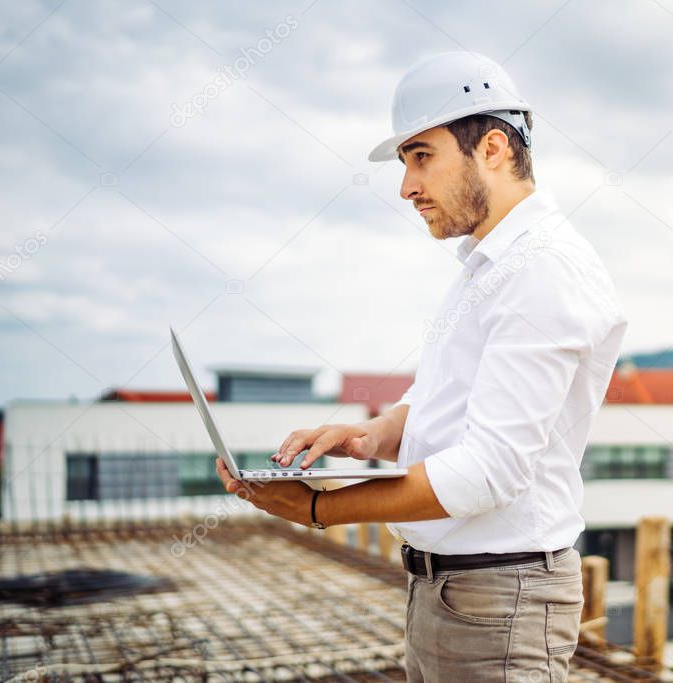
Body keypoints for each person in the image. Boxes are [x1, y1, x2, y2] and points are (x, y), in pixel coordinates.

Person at [216, 50, 628, 682]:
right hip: (455, 592)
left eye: (421, 156)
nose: (406, 186)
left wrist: (321, 510)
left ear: (491, 148)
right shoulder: (489, 267)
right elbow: (450, 406)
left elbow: (489, 471)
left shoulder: (542, 271)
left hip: (502, 599)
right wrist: (366, 437)